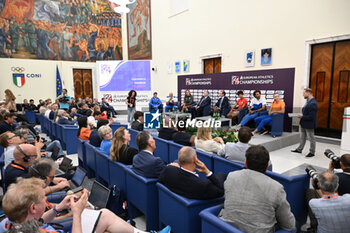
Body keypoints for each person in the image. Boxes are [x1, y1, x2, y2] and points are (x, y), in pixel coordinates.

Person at [0, 178, 172, 233]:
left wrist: (57, 208)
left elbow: (38, 222)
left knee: (103, 215)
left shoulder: (10, 221)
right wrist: (76, 213)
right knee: (103, 217)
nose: (44, 200)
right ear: (32, 208)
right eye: (41, 199)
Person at [219, 145, 295, 233]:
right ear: (267, 166)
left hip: (225, 228)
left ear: (245, 163)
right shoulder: (277, 188)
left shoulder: (231, 176)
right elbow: (289, 225)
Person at [159, 147, 226, 200]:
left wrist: (174, 168)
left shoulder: (169, 170)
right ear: (195, 159)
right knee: (221, 174)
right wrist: (208, 172)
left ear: (179, 161)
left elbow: (161, 179)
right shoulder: (203, 184)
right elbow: (221, 191)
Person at [291, 88, 318, 157]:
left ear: (308, 93)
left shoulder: (313, 103)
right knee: (302, 137)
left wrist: (302, 117)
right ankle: (299, 149)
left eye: (304, 93)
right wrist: (302, 116)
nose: (303, 95)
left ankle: (312, 152)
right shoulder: (308, 101)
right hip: (304, 123)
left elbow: (311, 117)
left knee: (311, 138)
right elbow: (306, 112)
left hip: (309, 124)